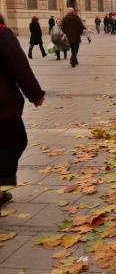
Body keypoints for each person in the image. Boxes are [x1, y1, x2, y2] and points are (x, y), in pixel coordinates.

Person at [0, 14, 45, 208]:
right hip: (2, 106)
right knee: (17, 141)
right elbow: (19, 66)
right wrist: (35, 94)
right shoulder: (2, 34)